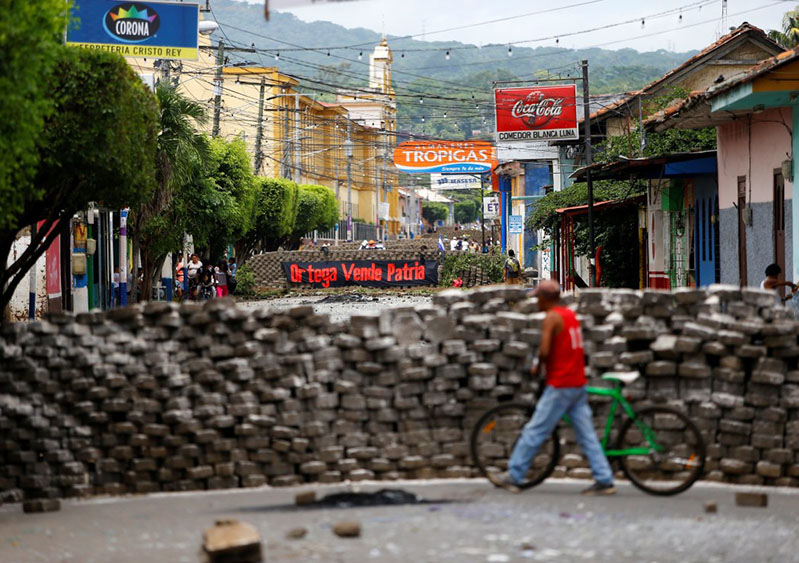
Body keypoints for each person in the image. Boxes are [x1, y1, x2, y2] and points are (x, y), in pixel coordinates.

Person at [490, 280, 616, 496]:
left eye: (538, 298)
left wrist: (537, 366)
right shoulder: (570, 315)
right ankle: (604, 479)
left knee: (534, 430)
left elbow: (545, 350)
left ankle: (514, 475)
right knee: (587, 435)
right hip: (577, 383)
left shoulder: (552, 317)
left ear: (545, 298)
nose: (537, 302)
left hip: (561, 384)